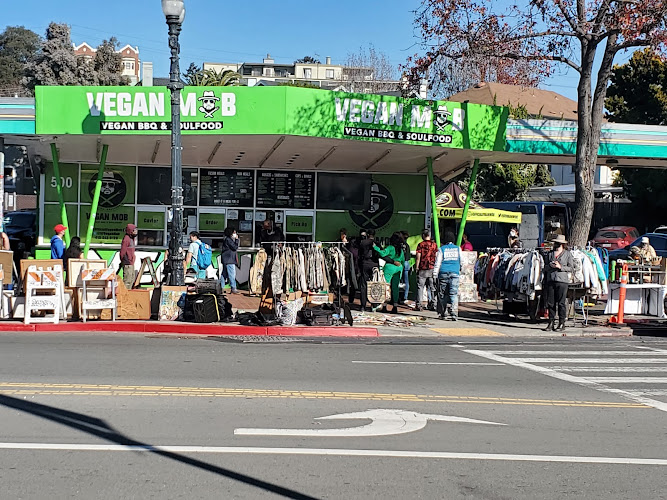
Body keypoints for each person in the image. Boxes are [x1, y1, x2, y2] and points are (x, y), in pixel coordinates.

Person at [543, 234, 574, 332]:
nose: (556, 245)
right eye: (555, 243)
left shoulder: (567, 254)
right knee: (550, 303)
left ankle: (561, 323)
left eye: (558, 243)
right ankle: (551, 322)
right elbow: (545, 267)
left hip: (562, 281)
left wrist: (560, 267)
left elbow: (571, 268)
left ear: (562, 244)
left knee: (561, 303)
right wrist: (550, 266)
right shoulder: (550, 254)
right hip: (551, 280)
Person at [374, 232, 405, 314]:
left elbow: (382, 253)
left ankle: (384, 305)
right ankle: (395, 306)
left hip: (389, 268)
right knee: (395, 287)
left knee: (386, 287)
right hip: (398, 268)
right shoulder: (400, 249)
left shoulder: (390, 247)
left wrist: (375, 247)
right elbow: (403, 260)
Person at [433, 231, 462, 321]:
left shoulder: (442, 249)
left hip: (443, 273)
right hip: (455, 273)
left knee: (443, 294)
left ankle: (443, 312)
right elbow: (462, 262)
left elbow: (438, 263)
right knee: (453, 293)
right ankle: (454, 312)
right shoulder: (458, 249)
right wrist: (459, 270)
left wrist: (434, 274)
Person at [415, 228, 438, 311]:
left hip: (422, 268)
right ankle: (433, 304)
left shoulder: (420, 245)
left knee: (420, 287)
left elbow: (418, 257)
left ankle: (419, 304)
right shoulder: (434, 245)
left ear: (423, 236)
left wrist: (417, 267)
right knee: (432, 287)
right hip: (432, 268)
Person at [358, 229, 379, 311]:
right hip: (374, 264)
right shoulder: (376, 243)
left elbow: (360, 255)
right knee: (374, 285)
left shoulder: (363, 243)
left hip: (365, 264)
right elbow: (380, 253)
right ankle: (373, 304)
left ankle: (363, 305)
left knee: (363, 285)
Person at [220, 227, 240, 294]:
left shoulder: (226, 239)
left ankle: (221, 287)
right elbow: (235, 247)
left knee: (224, 274)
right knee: (232, 274)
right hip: (229, 259)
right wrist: (237, 240)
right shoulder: (229, 240)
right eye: (234, 232)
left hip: (226, 259)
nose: (235, 234)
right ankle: (233, 288)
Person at [120, 224, 138, 289]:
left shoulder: (131, 238)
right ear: (130, 231)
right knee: (127, 280)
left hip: (131, 262)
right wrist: (125, 261)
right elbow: (122, 252)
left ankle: (128, 294)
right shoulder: (126, 239)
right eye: (134, 230)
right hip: (127, 263)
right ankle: (124, 295)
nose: (136, 232)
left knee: (131, 279)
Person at [400, 230, 411, 304]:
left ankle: (399, 296)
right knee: (406, 281)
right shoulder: (407, 245)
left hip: (401, 263)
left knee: (399, 280)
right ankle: (405, 297)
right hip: (407, 263)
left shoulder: (400, 245)